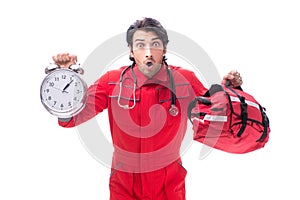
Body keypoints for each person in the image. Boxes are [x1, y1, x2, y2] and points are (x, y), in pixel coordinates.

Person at [52, 17, 243, 200]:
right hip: (125, 183)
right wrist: (67, 77)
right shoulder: (111, 82)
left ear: (165, 49)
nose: (148, 52)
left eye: (155, 44)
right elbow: (70, 119)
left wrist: (228, 92)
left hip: (168, 184)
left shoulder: (184, 80)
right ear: (131, 51)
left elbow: (216, 119)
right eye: (141, 45)